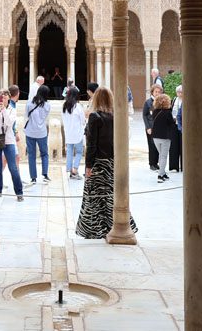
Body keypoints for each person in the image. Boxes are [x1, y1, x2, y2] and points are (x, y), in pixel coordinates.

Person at [76, 87, 137, 239]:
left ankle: (94, 229)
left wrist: (88, 166)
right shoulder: (116, 116)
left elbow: (91, 145)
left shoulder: (95, 117)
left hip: (99, 163)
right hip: (112, 162)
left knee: (95, 198)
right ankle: (113, 226)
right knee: (110, 196)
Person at [0, 90, 24, 201]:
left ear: (9, 98)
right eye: (1, 97)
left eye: (5, 97)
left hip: (9, 141)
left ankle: (19, 193)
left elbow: (9, 123)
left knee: (13, 168)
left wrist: (4, 109)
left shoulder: (12, 110)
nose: (2, 99)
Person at [24, 85, 51, 184]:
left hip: (30, 131)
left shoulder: (30, 103)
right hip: (41, 132)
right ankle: (45, 174)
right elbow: (45, 117)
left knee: (31, 155)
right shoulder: (47, 105)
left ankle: (33, 177)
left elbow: (26, 116)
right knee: (44, 154)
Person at [151, 93, 177, 182]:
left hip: (155, 137)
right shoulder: (167, 113)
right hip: (165, 137)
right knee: (163, 156)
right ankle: (160, 175)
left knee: (161, 155)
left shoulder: (154, 111)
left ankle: (163, 173)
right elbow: (172, 124)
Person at [62, 87, 86, 179]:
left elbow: (63, 119)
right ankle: (75, 170)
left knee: (69, 152)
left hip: (68, 133)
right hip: (77, 133)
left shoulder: (64, 106)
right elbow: (83, 120)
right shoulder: (78, 106)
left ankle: (69, 169)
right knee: (79, 152)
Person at [141, 84, 163, 172]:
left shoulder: (162, 101)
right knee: (152, 145)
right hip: (151, 127)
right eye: (156, 92)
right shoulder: (148, 102)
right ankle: (152, 163)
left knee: (158, 146)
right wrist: (148, 127)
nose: (157, 93)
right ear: (152, 92)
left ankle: (156, 163)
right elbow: (144, 115)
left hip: (159, 127)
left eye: (159, 92)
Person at [169, 85, 183, 172]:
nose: (180, 94)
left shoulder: (186, 100)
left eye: (181, 92)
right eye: (178, 92)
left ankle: (184, 165)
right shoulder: (174, 100)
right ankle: (174, 166)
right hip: (174, 124)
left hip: (182, 124)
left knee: (183, 145)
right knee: (173, 145)